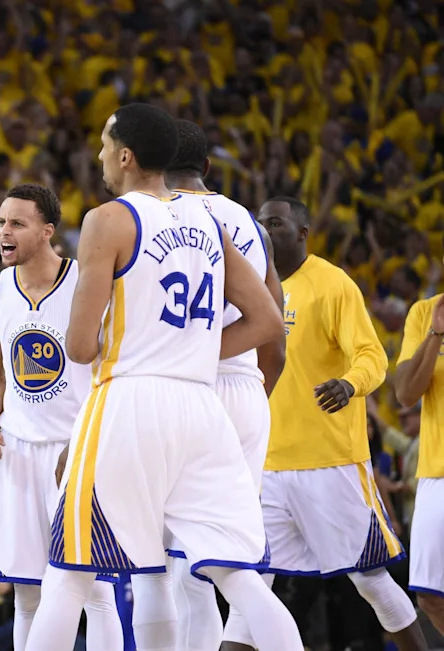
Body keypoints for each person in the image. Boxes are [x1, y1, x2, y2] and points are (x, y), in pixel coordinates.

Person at [24, 103, 301, 651]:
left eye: (104, 146)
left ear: (125, 156)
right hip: (202, 408)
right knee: (238, 578)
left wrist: (148, 348)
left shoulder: (108, 220)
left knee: (71, 572)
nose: (100, 156)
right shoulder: (211, 221)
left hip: (130, 401)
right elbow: (269, 320)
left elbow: (79, 348)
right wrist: (193, 351)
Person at [224, 197, 426, 651]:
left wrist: (350, 384)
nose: (265, 230)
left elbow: (373, 357)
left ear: (302, 232)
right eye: (259, 223)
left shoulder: (333, 284)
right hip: (268, 465)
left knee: (369, 581)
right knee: (251, 586)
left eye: (275, 222)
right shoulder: (246, 287)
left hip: (330, 462)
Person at [0, 182, 123, 651]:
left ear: (47, 231)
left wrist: (97, 443)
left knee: (96, 590)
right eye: (1, 222)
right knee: (26, 592)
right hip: (19, 452)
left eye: (17, 222)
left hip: (76, 448)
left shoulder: (88, 280)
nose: (4, 231)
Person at [161, 119, 287, 650]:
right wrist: (258, 393)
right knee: (231, 558)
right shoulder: (252, 226)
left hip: (187, 385)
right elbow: (274, 331)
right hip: (247, 389)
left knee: (179, 565)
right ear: (207, 168)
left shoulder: (161, 216)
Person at [394, 290, 444, 634]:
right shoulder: (425, 312)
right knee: (429, 597)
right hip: (435, 472)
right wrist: (436, 334)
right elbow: (406, 393)